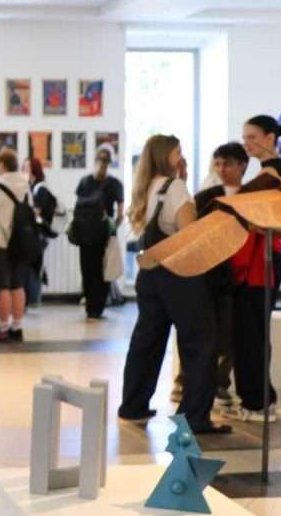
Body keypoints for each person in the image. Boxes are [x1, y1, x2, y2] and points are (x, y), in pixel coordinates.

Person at [118, 135, 230, 434]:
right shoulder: (175, 187)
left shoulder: (145, 187)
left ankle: (133, 406)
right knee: (200, 342)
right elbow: (189, 232)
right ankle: (194, 417)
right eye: (177, 151)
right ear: (165, 155)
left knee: (147, 341)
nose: (181, 156)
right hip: (179, 275)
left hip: (150, 273)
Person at [222, 115, 281, 422]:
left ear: (270, 138)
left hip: (261, 259)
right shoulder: (270, 170)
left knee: (251, 333)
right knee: (252, 332)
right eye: (244, 137)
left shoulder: (272, 172)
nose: (246, 143)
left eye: (252, 137)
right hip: (260, 256)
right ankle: (259, 399)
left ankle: (256, 403)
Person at [172, 143, 249, 408]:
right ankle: (184, 382)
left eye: (227, 164)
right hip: (207, 270)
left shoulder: (250, 197)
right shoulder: (206, 197)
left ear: (242, 165)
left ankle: (219, 384)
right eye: (218, 164)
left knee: (228, 332)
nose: (222, 169)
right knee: (198, 330)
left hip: (236, 273)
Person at [73, 148, 124, 320]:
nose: (102, 165)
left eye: (104, 162)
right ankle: (95, 308)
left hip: (92, 234)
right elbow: (120, 214)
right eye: (101, 161)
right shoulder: (111, 184)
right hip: (95, 234)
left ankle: (93, 308)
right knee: (97, 271)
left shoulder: (88, 182)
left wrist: (112, 231)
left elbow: (120, 214)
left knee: (92, 270)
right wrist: (113, 229)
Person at [0, 148, 30, 342]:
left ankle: (3, 328)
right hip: (21, 242)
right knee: (18, 285)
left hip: (0, 243)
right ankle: (17, 327)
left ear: (2, 164)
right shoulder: (26, 185)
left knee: (2, 286)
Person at [23, 156, 57, 307]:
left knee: (35, 265)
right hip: (33, 233)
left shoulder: (40, 188)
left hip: (39, 234)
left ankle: (34, 299)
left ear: (34, 169)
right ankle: (31, 298)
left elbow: (36, 211)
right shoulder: (32, 187)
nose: (23, 169)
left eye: (26, 166)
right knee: (32, 264)